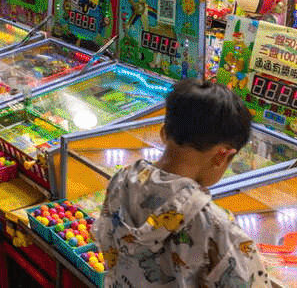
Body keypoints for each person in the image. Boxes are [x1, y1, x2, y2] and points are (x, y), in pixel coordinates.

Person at [94, 79, 269, 287]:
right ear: (222, 156)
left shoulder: (121, 180)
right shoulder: (215, 225)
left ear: (163, 132)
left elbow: (104, 240)